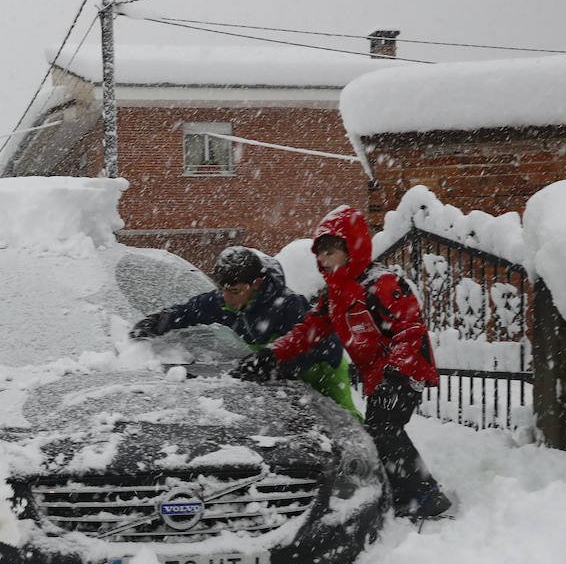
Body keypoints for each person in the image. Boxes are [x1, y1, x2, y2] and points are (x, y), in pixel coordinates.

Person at [233, 206, 452, 519]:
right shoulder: (334, 295)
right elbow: (308, 332)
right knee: (380, 431)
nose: (323, 259)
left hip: (405, 369)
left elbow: (409, 329)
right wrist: (270, 354)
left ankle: (425, 494)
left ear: (353, 248)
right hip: (378, 373)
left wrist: (396, 374)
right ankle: (408, 492)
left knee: (383, 429)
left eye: (331, 251)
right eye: (319, 253)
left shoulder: (382, 284)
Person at [129, 246, 360, 419]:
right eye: (222, 290)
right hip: (277, 369)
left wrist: (272, 363)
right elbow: (191, 310)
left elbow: (312, 343)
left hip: (321, 369)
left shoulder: (288, 304)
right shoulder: (226, 300)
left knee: (341, 420)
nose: (226, 297)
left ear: (257, 284)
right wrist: (159, 321)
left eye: (235, 291)